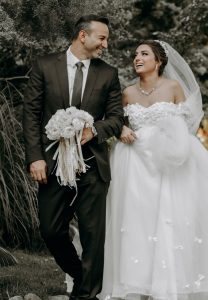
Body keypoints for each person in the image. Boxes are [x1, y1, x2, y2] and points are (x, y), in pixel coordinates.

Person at [94, 40, 208, 300]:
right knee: (136, 219)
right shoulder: (128, 92)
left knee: (169, 216)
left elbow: (187, 123)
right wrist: (122, 128)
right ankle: (135, 282)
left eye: (144, 54)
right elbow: (116, 121)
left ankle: (171, 281)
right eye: (135, 55)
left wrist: (172, 143)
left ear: (159, 61)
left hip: (169, 161)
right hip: (134, 162)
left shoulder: (173, 87)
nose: (137, 58)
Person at [23, 15, 124, 300]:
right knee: (51, 230)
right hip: (52, 165)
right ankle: (83, 276)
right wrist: (35, 157)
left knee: (93, 236)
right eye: (102, 38)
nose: (106, 44)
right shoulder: (45, 66)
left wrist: (95, 130)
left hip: (93, 166)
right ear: (83, 35)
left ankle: (87, 295)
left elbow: (117, 118)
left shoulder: (108, 73)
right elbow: (30, 114)